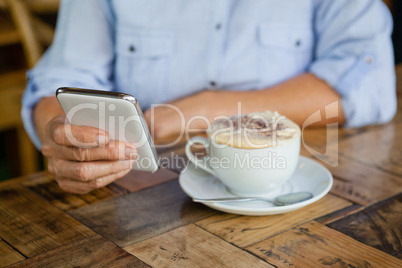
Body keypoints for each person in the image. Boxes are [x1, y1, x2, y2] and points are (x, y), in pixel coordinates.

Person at [22, 0, 396, 194]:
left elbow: (369, 74)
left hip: (295, 188)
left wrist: (208, 109)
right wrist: (60, 129)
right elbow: (59, 80)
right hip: (136, 193)